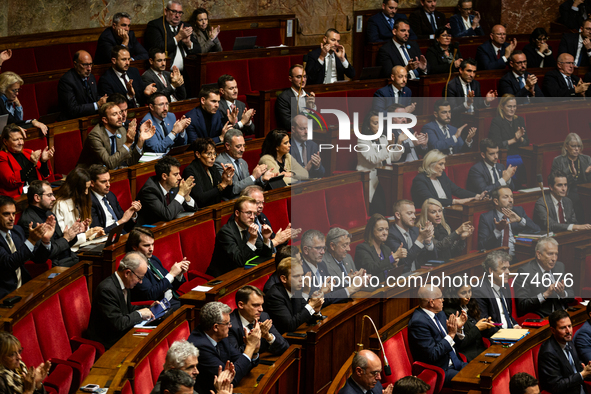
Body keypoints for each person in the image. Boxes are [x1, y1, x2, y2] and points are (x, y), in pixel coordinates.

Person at [85, 251, 156, 349]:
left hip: (121, 335)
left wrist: (149, 308)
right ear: (127, 273)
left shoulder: (125, 283)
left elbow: (128, 308)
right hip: (108, 343)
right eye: (139, 278)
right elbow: (118, 324)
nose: (140, 282)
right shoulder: (107, 290)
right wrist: (140, 314)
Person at [187, 301, 260, 394]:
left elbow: (242, 362)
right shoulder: (200, 347)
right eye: (227, 323)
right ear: (216, 327)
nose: (230, 325)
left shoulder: (220, 336)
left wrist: (254, 351)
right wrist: (250, 346)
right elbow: (228, 381)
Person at [408, 285, 467, 386]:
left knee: (485, 373)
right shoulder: (418, 323)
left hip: (456, 362)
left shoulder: (440, 314)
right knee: (477, 382)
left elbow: (455, 343)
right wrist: (451, 334)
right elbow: (432, 354)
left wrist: (458, 329)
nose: (443, 300)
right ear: (431, 302)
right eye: (440, 297)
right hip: (442, 370)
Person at [18, 180, 83, 268]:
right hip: (55, 265)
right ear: (37, 198)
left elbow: (62, 243)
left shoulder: (49, 214)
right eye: (49, 195)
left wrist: (73, 234)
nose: (54, 198)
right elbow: (44, 254)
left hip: (69, 258)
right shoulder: (29, 221)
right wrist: (66, 238)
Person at [0, 195, 53, 299]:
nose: (12, 218)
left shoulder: (17, 230)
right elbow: (9, 263)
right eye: (6, 214)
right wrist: (32, 240)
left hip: (24, 287)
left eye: (13, 214)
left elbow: (38, 259)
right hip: (5, 294)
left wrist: (45, 240)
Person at [206, 196, 274, 277]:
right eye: (249, 213)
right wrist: (252, 239)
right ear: (237, 213)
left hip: (241, 273)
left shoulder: (249, 227)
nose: (252, 217)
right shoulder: (225, 232)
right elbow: (240, 260)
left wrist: (266, 239)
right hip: (223, 277)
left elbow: (265, 254)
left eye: (254, 213)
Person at [77, 102, 155, 169]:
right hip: (88, 176)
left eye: (120, 113)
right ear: (105, 120)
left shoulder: (121, 130)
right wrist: (127, 143)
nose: (120, 117)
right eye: (115, 114)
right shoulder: (95, 136)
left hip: (110, 174)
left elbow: (130, 161)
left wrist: (141, 140)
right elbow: (110, 164)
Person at [126, 228, 188, 311]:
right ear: (134, 247)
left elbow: (169, 284)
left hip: (174, 300)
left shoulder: (153, 259)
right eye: (146, 245)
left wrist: (178, 274)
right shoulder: (134, 267)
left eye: (152, 244)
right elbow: (151, 295)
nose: (151, 249)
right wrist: (172, 274)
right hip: (159, 307)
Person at [514, 237, 573, 317]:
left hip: (564, 314)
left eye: (556, 254)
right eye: (550, 254)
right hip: (544, 317)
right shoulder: (525, 272)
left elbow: (571, 295)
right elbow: (522, 305)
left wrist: (562, 293)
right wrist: (545, 294)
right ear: (539, 254)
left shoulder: (560, 267)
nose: (554, 259)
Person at [263, 258, 324, 334]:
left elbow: (305, 316)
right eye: (296, 276)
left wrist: (315, 311)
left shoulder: (296, 290)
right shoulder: (274, 296)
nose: (301, 279)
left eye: (302, 275)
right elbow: (289, 325)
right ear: (284, 279)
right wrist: (311, 306)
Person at [477, 186, 540, 256]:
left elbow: (537, 230)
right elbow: (482, 245)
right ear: (496, 201)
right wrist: (497, 230)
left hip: (519, 255)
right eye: (505, 197)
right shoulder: (486, 218)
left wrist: (520, 220)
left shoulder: (518, 211)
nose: (510, 200)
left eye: (511, 197)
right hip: (498, 258)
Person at [538, 310, 591, 393]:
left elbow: (576, 369)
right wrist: (582, 374)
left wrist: (587, 371)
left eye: (569, 326)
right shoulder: (548, 353)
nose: (568, 331)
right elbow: (556, 385)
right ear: (553, 330)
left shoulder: (568, 341)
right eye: (563, 328)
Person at [135, 156, 197, 226]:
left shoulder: (173, 185)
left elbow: (194, 209)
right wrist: (181, 193)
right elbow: (167, 215)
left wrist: (186, 196)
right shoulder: (149, 191)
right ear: (164, 176)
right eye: (175, 174)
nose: (179, 177)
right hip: (148, 230)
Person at [52, 167, 104, 250]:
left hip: (82, 246)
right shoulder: (60, 205)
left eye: (88, 188)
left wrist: (94, 234)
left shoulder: (80, 202)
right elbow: (62, 239)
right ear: (75, 188)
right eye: (84, 189)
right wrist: (86, 235)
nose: (87, 193)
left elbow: (84, 232)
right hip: (70, 251)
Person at [228, 286, 289, 355]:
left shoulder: (263, 317)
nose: (261, 309)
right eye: (256, 305)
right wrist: (253, 341)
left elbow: (285, 347)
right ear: (241, 305)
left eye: (261, 305)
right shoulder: (229, 325)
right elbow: (235, 356)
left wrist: (268, 336)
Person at [411, 149, 484, 208]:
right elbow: (431, 201)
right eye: (440, 164)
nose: (444, 168)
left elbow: (457, 190)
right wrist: (456, 201)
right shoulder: (420, 180)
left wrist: (477, 196)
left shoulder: (442, 176)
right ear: (430, 164)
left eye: (444, 164)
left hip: (447, 211)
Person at [144, 0, 201, 73]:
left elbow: (199, 50)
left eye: (180, 12)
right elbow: (158, 48)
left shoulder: (186, 26)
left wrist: (188, 43)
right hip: (167, 72)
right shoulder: (155, 26)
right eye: (174, 12)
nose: (177, 15)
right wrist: (178, 37)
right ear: (166, 11)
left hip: (189, 72)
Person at [215, 129, 274, 200]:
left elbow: (247, 185)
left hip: (247, 200)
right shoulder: (220, 163)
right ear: (227, 146)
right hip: (233, 203)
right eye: (238, 146)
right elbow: (232, 190)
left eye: (244, 145)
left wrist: (262, 179)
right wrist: (253, 177)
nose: (243, 150)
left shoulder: (242, 162)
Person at [443, 283, 496, 362]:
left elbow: (481, 334)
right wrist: (477, 328)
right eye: (463, 293)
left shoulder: (470, 305)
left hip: (482, 350)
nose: (468, 296)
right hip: (467, 356)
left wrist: (486, 326)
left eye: (469, 291)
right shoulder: (450, 313)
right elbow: (460, 344)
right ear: (454, 294)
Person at [298, 229, 354, 301]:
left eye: (324, 248)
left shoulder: (322, 264)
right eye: (318, 248)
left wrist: (347, 281)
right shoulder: (300, 270)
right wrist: (350, 289)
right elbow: (314, 299)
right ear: (306, 250)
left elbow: (331, 290)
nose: (323, 252)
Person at [0, 124, 53, 199]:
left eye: (21, 139)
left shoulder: (27, 152)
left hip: (38, 192)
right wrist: (31, 163)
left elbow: (45, 176)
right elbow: (11, 181)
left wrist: (44, 161)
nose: (20, 142)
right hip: (18, 197)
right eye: (16, 140)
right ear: (5, 141)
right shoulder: (2, 156)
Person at [472, 250, 520, 329]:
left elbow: (508, 314)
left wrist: (515, 325)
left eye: (508, 268)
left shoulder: (505, 285)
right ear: (491, 271)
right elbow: (485, 325)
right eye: (504, 268)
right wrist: (506, 335)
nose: (508, 272)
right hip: (497, 336)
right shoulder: (480, 291)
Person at [385, 199, 436, 272]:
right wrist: (420, 239)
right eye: (409, 213)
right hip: (403, 278)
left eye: (414, 213)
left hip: (419, 273)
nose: (414, 216)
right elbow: (405, 262)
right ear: (398, 215)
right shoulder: (391, 235)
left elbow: (430, 259)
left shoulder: (415, 231)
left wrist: (428, 243)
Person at [488, 95, 529, 186]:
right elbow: (496, 144)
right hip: (505, 155)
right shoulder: (497, 121)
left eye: (514, 106)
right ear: (502, 107)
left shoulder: (519, 120)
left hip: (520, 153)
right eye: (509, 106)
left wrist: (521, 138)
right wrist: (514, 139)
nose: (512, 109)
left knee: (530, 161)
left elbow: (527, 141)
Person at [241, 185, 297, 250]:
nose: (261, 206)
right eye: (258, 203)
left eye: (262, 203)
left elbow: (273, 240)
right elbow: (257, 250)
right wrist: (276, 240)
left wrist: (284, 238)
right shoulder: (244, 221)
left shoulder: (261, 216)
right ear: (245, 203)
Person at [89, 164, 141, 234]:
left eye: (109, 180)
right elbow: (97, 233)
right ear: (92, 183)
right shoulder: (89, 202)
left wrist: (132, 214)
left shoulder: (110, 196)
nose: (108, 185)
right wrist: (121, 221)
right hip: (105, 240)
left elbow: (126, 227)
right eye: (103, 182)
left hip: (121, 235)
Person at [57, 50, 108, 121]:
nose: (89, 69)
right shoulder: (67, 81)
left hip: (90, 117)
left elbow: (93, 97)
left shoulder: (91, 77)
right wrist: (97, 105)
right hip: (73, 121)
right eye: (85, 65)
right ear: (75, 64)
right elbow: (72, 110)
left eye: (90, 64)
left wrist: (103, 100)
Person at [551, 133, 591, 221]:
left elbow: (588, 183)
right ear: (566, 146)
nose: (577, 149)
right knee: (577, 199)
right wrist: (572, 175)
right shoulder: (558, 161)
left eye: (579, 146)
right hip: (568, 190)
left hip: (585, 190)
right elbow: (554, 181)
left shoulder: (586, 159)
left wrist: (588, 174)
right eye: (573, 146)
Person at [183, 138, 234, 208]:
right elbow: (201, 198)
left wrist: (228, 180)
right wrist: (222, 185)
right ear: (198, 154)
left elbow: (226, 194)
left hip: (216, 208)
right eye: (209, 154)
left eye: (214, 154)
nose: (213, 157)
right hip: (201, 212)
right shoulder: (190, 171)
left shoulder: (212, 168)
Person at [354, 213, 406, 280]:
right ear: (372, 230)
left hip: (387, 286)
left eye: (387, 229)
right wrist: (394, 256)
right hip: (372, 287)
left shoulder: (386, 249)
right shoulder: (362, 249)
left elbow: (391, 275)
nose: (385, 233)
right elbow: (371, 269)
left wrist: (395, 265)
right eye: (381, 229)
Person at [274, 64, 316, 131]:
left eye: (304, 77)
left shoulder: (308, 96)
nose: (303, 80)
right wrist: (307, 110)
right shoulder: (283, 98)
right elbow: (288, 124)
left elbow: (317, 123)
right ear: (290, 79)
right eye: (299, 77)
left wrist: (313, 108)